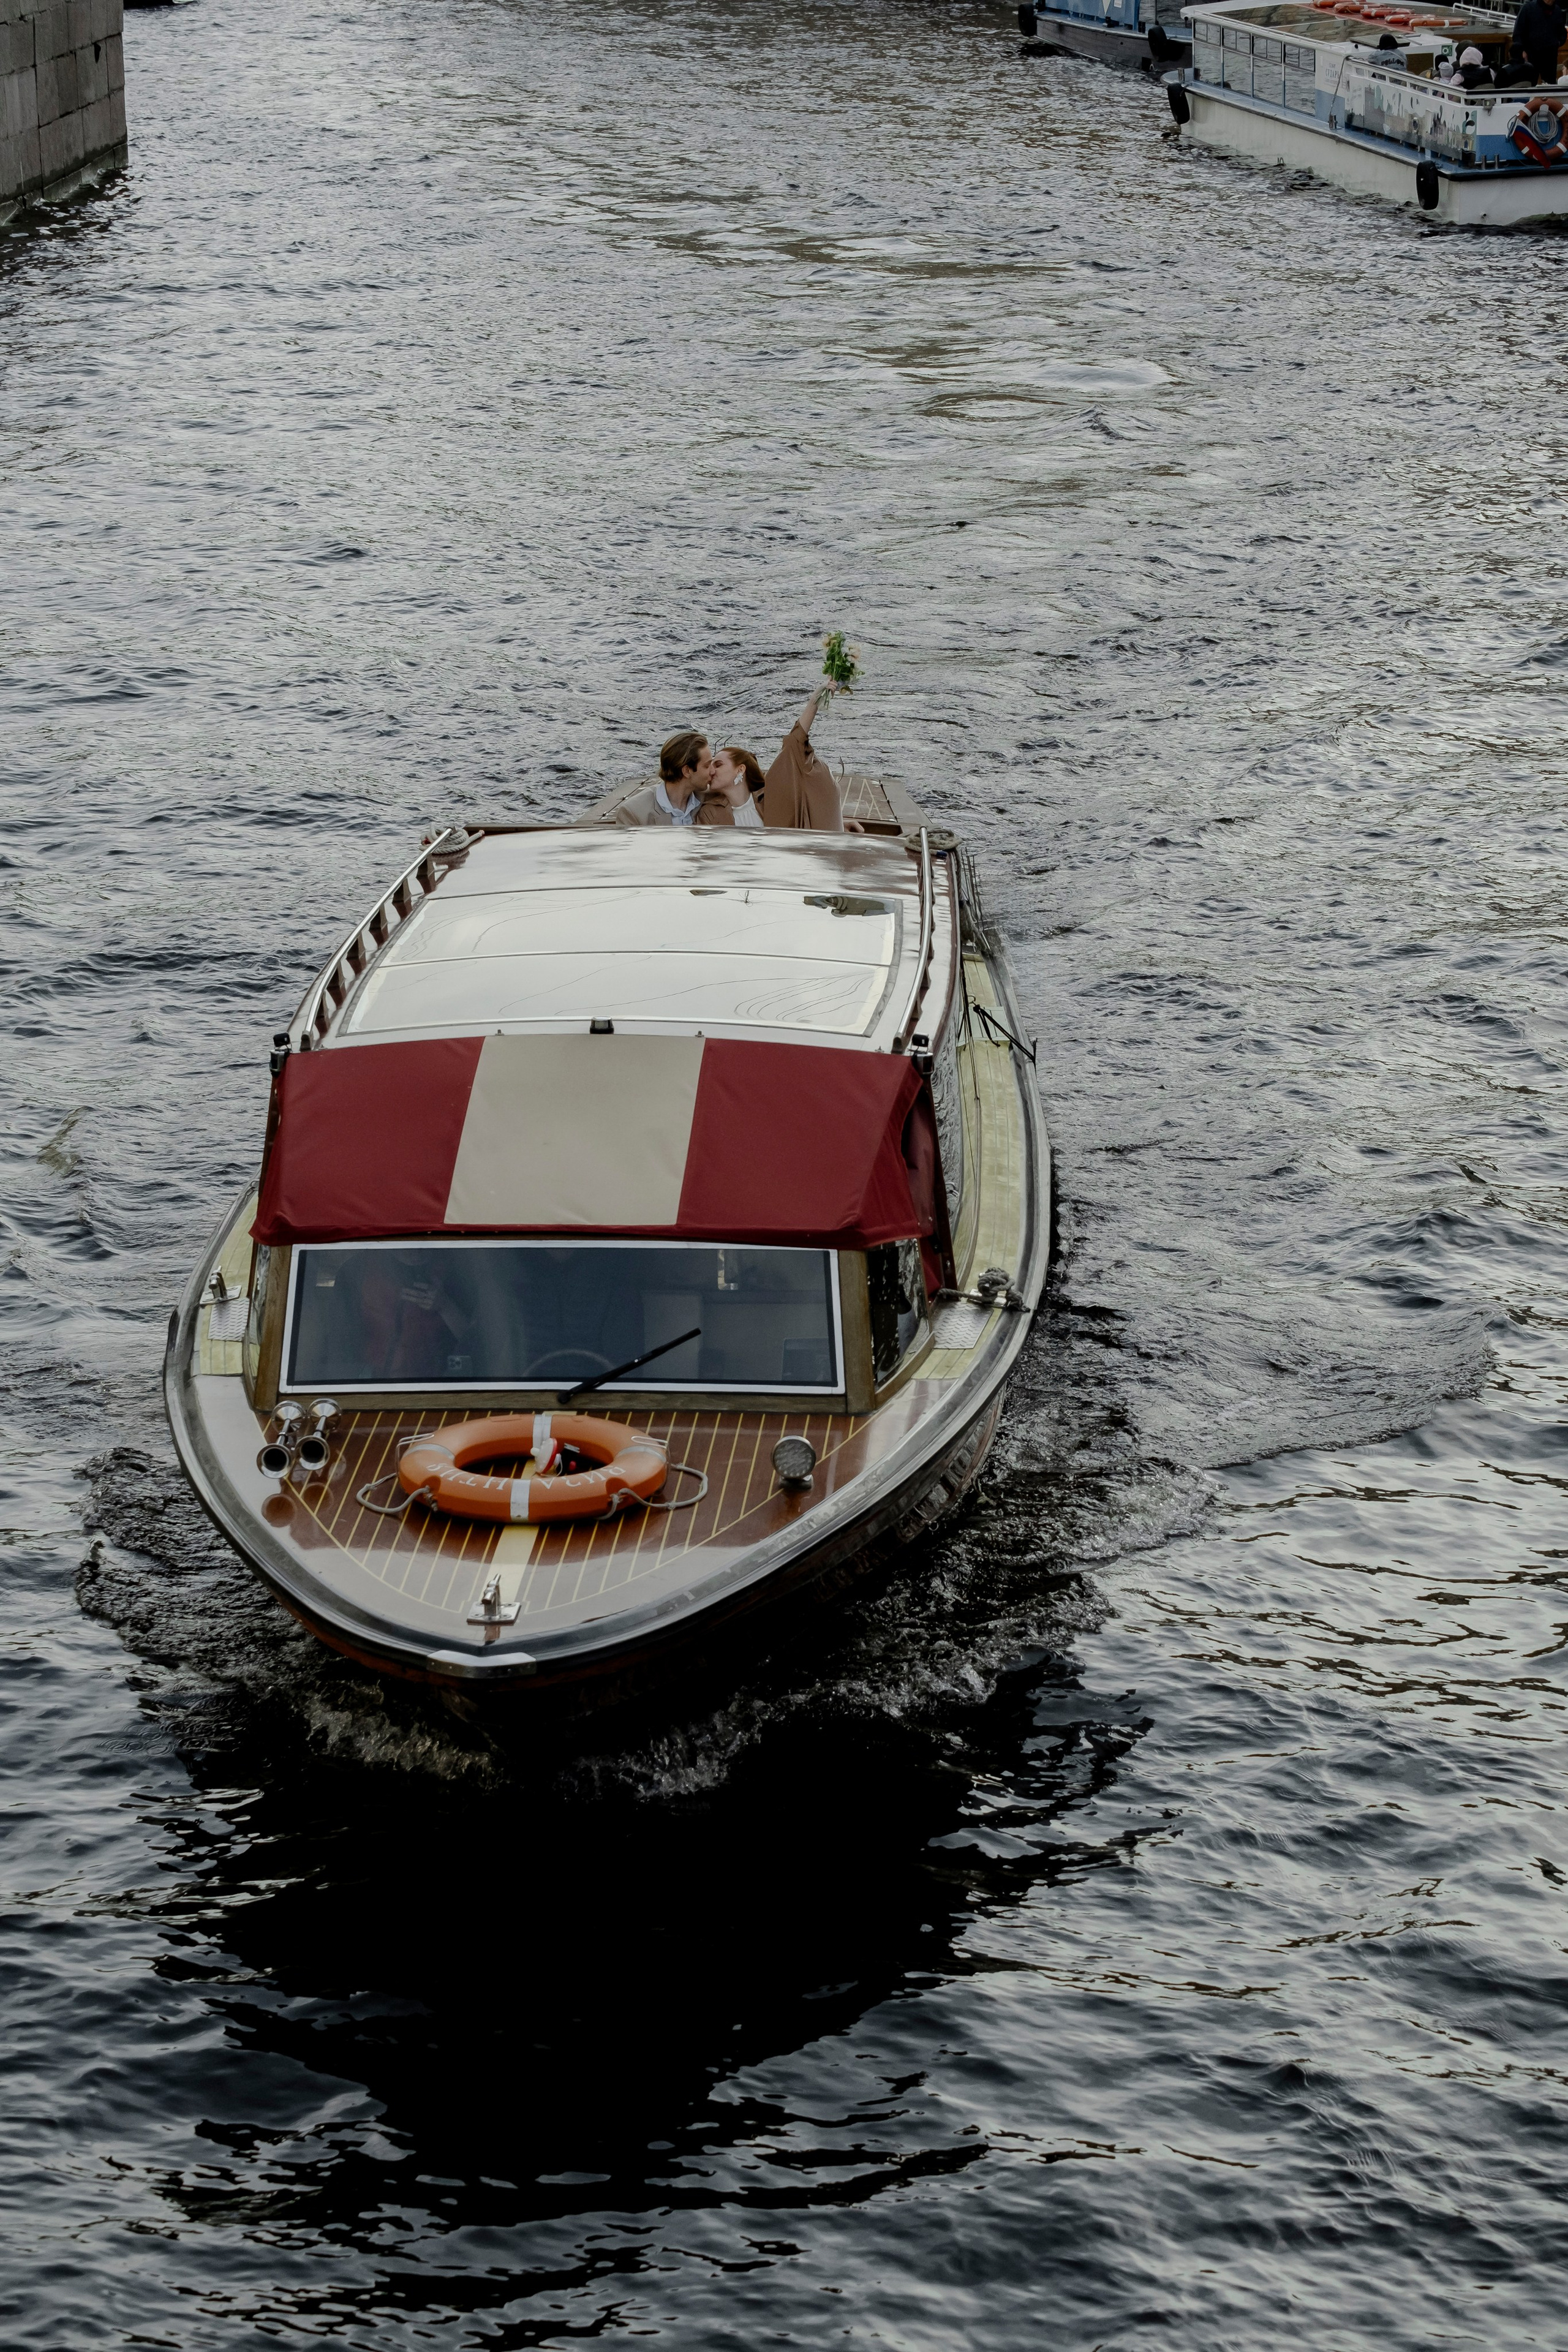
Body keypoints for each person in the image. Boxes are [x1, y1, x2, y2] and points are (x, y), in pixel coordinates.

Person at [616, 731, 713, 826]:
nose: (713, 771)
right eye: (707, 766)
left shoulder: (710, 799)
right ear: (687, 771)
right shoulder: (634, 812)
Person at [696, 745, 767, 827]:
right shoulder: (709, 813)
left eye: (718, 765)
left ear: (740, 770)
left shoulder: (768, 800)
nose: (711, 772)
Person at [1512, 0, 1566, 83]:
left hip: (1550, 56)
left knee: (1550, 85)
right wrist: (1522, 51)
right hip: (1530, 55)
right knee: (1529, 84)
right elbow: (1518, 33)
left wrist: (1557, 43)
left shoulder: (1557, 11)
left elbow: (1562, 33)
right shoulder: (1528, 8)